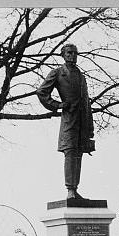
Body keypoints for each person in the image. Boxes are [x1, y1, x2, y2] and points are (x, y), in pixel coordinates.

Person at [36, 44, 95, 200]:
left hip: (82, 121)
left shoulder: (81, 76)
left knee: (79, 154)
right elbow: (42, 92)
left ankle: (75, 189)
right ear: (63, 55)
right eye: (69, 53)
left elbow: (86, 103)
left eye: (75, 53)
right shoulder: (57, 73)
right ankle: (70, 189)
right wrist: (57, 105)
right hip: (69, 119)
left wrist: (90, 127)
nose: (73, 55)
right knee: (70, 153)